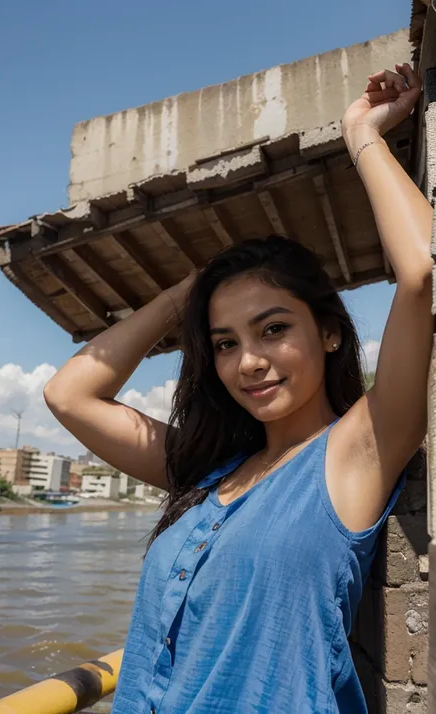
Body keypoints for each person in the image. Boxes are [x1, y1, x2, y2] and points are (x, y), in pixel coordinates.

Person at [44, 63, 433, 713]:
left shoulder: (356, 452)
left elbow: (420, 273)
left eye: (273, 329)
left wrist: (360, 133)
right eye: (226, 342)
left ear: (330, 334)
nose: (248, 361)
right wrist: (191, 292)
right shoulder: (205, 473)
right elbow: (70, 395)